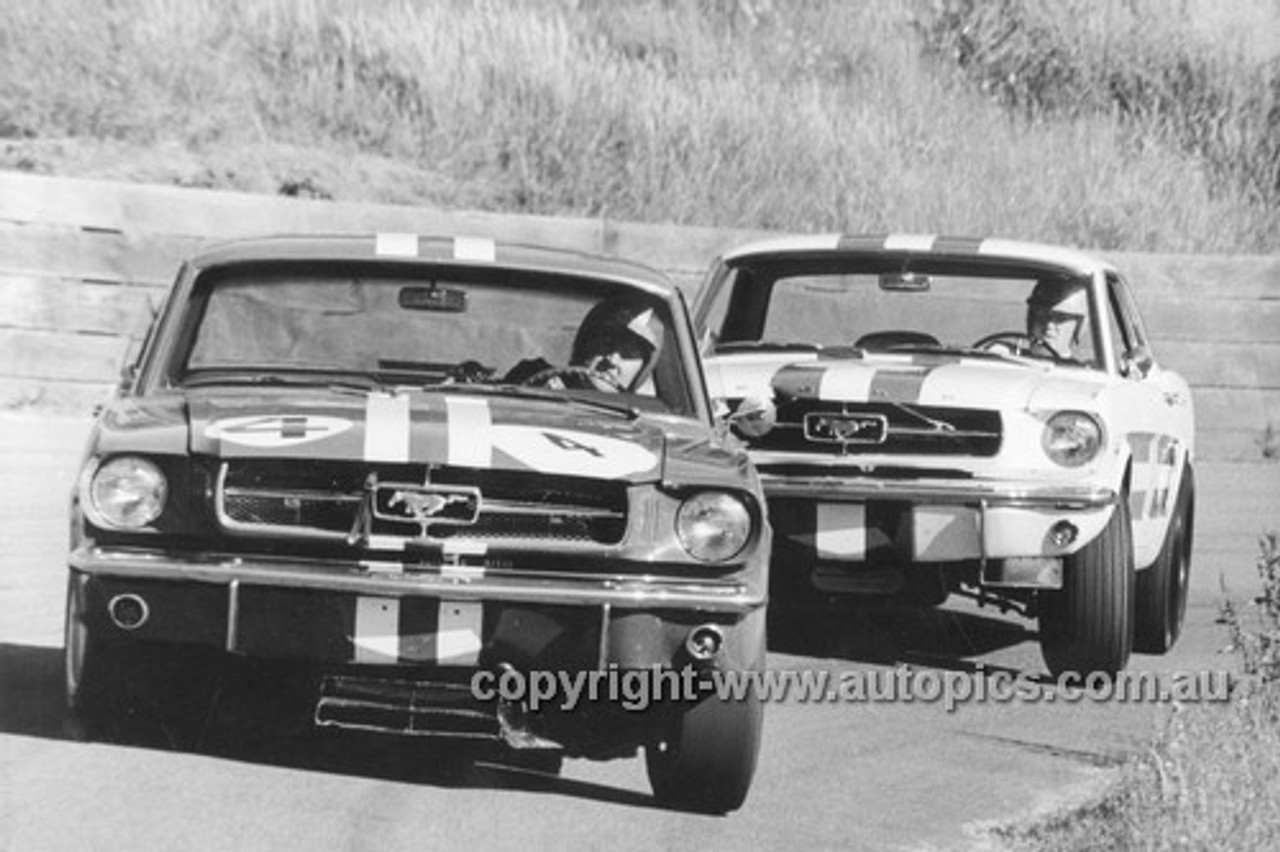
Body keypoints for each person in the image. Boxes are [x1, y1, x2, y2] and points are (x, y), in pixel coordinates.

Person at [503, 295, 664, 393]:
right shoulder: (531, 375)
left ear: (643, 369)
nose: (612, 360)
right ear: (587, 344)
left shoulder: (646, 424)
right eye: (606, 343)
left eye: (628, 352)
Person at [1025, 278, 1090, 361]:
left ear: (1078, 326)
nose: (1049, 325)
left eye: (1060, 318)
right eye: (1042, 315)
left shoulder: (1081, 373)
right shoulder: (1010, 361)